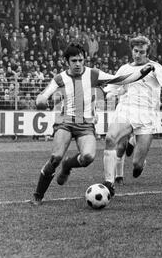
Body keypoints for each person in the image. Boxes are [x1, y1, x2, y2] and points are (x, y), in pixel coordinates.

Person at [32, 43, 155, 205]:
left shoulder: (93, 74)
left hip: (86, 126)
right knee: (55, 158)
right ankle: (38, 195)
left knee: (88, 157)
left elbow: (119, 79)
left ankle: (68, 165)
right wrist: (40, 100)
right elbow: (44, 94)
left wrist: (141, 72)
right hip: (65, 123)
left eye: (80, 60)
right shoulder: (60, 78)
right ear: (67, 62)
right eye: (74, 60)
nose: (78, 64)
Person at [102, 36, 162, 196]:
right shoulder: (124, 69)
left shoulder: (155, 67)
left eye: (142, 52)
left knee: (137, 165)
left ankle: (138, 156)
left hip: (147, 115)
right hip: (126, 109)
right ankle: (109, 183)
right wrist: (107, 93)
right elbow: (112, 86)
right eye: (135, 51)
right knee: (111, 139)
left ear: (147, 52)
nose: (138, 55)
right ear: (132, 50)